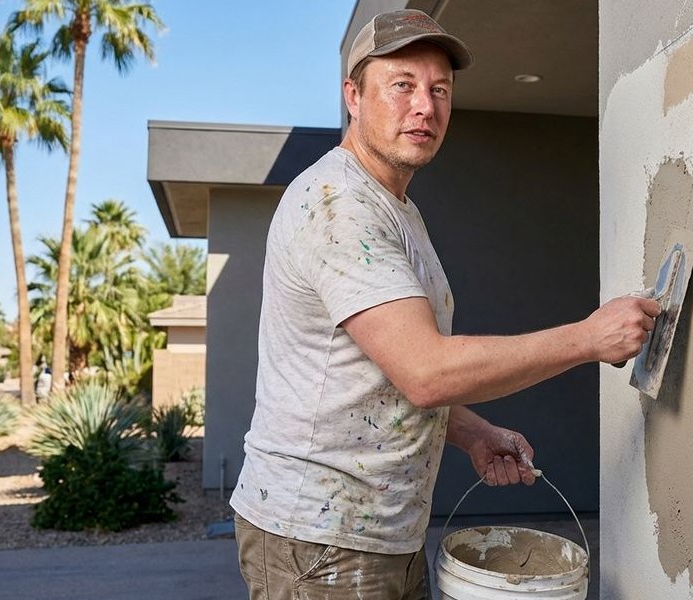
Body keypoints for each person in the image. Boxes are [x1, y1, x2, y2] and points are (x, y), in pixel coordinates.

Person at [229, 9, 660, 599]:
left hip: (382, 532)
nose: (425, 106)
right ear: (353, 96)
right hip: (322, 540)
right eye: (402, 85)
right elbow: (426, 371)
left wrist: (473, 432)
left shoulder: (395, 207)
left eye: (440, 90)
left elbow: (384, 373)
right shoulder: (338, 207)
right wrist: (588, 338)